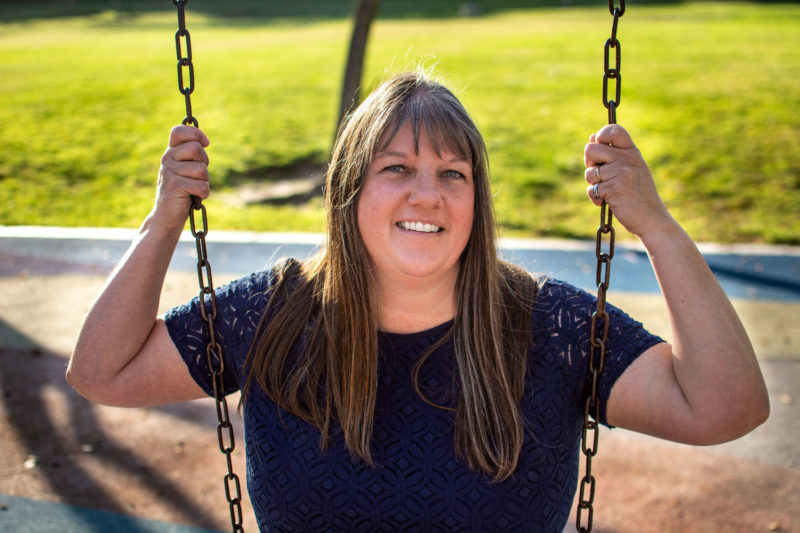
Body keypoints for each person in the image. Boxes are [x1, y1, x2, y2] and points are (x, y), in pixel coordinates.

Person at [67, 71, 769, 532]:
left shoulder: (548, 329)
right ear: (350, 189)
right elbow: (103, 370)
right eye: (396, 168)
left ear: (476, 199)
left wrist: (657, 226)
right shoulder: (275, 316)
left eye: (451, 173)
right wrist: (164, 220)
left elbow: (725, 405)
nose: (426, 194)